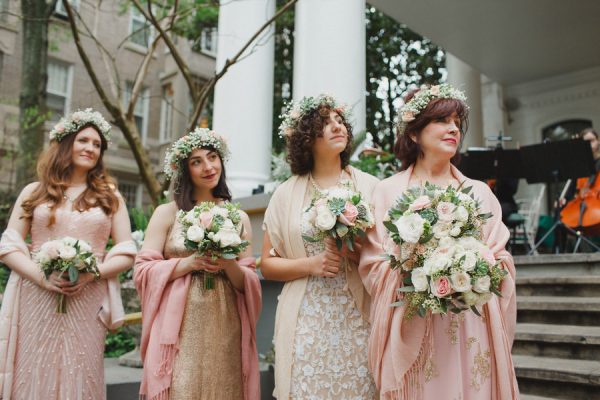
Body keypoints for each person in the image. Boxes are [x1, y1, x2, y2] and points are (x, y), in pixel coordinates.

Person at [359, 84, 519, 399]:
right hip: (415, 320)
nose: (453, 129)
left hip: (472, 322)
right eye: (442, 120)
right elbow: (373, 265)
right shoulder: (387, 192)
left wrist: (476, 268)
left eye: (457, 122)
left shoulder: (480, 192)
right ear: (414, 134)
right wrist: (421, 269)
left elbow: (502, 260)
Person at [0, 109, 137, 399]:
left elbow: (126, 252)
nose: (90, 148)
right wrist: (40, 276)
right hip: (36, 297)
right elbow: (8, 246)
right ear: (66, 143)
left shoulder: (110, 196)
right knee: (33, 367)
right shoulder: (33, 192)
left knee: (81, 368)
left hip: (87, 299)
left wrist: (90, 274)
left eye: (97, 144)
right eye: (83, 140)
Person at [261, 94, 379, 399]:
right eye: (325, 123)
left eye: (339, 121)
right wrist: (310, 265)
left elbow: (387, 254)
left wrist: (355, 251)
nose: (336, 127)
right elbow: (267, 264)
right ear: (306, 138)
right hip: (307, 319)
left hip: (359, 317)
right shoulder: (285, 195)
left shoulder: (370, 187)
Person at [134, 128, 261, 400]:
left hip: (226, 323)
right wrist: (189, 263)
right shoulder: (167, 213)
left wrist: (228, 263)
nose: (208, 166)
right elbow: (143, 270)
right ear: (185, 169)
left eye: (212, 157)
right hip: (179, 327)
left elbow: (248, 282)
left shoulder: (238, 218)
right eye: (196, 161)